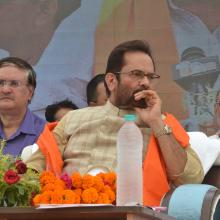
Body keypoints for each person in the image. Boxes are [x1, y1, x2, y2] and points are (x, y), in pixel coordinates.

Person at [26, 40, 204, 206]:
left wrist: (156, 122)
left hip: (130, 212)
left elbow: (191, 178)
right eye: (136, 74)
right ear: (111, 81)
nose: (145, 82)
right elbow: (32, 171)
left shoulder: (162, 124)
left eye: (150, 77)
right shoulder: (73, 119)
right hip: (69, 210)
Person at [0, 57, 62, 174]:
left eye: (14, 83)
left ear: (30, 92)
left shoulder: (46, 133)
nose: (5, 89)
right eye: (0, 83)